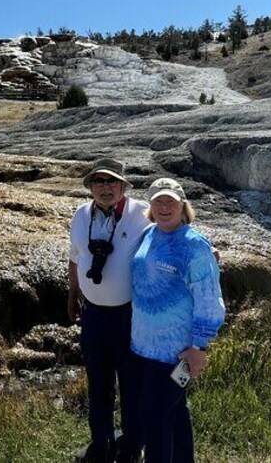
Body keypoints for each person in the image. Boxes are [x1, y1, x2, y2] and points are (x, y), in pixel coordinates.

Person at [130, 177, 225, 463]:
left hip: (177, 352)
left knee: (155, 416)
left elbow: (210, 299)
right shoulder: (149, 234)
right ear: (150, 206)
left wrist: (199, 347)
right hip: (145, 347)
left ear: (183, 205)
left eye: (171, 200)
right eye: (158, 201)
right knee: (175, 412)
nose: (164, 206)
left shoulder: (194, 246)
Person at [69, 158, 151, 462]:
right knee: (98, 383)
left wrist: (204, 249)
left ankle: (132, 447)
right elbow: (75, 257)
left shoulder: (142, 212)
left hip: (129, 316)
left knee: (132, 383)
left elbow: (174, 229)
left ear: (123, 186)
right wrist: (73, 293)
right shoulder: (80, 215)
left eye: (112, 181)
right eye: (100, 181)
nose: (106, 187)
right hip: (93, 316)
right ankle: (100, 444)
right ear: (91, 186)